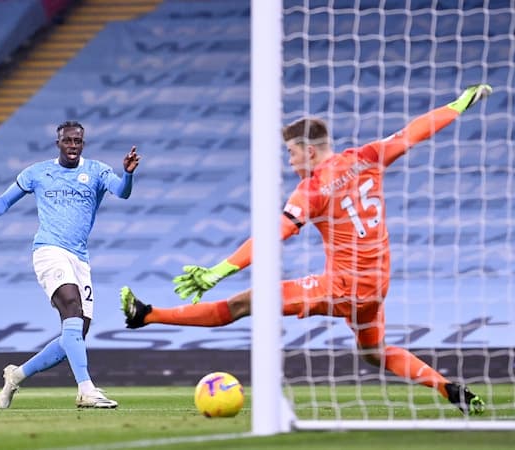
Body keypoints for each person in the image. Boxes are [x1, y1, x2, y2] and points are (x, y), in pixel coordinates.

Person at [120, 84, 492, 416]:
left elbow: (273, 235)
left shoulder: (313, 190)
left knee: (243, 303)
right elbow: (413, 133)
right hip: (377, 286)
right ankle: (448, 387)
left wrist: (220, 270)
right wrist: (457, 106)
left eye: (291, 153)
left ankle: (146, 316)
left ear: (309, 150)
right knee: (374, 353)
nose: (290, 161)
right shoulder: (367, 157)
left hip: (343, 287)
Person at [0, 120, 140, 409]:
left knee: (75, 335)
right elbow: (6, 200)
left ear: (83, 144)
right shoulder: (38, 173)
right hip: (48, 251)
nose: (73, 146)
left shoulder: (96, 171)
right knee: (71, 307)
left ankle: (16, 375)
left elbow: (122, 192)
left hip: (79, 258)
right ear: (58, 143)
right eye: (68, 141)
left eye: (78, 142)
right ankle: (86, 389)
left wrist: (128, 174)